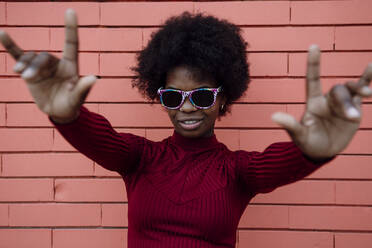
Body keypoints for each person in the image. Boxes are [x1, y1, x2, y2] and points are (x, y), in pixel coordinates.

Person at [0, 9, 371, 248]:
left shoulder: (238, 171)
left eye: (203, 95)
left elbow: (279, 163)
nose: (188, 106)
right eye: (173, 97)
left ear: (224, 99)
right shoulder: (140, 158)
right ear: (159, 96)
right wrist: (67, 116)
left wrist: (313, 151)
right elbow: (99, 138)